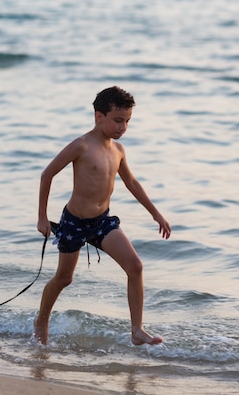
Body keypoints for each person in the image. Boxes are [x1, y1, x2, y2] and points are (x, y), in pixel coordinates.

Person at [34, 86, 172, 346]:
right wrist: (42, 217)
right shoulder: (81, 146)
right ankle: (41, 320)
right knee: (64, 278)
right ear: (99, 117)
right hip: (74, 221)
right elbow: (47, 174)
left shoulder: (118, 150)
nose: (123, 127)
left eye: (128, 121)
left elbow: (131, 182)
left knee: (136, 266)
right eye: (118, 120)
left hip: (102, 222)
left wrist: (156, 214)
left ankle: (137, 330)